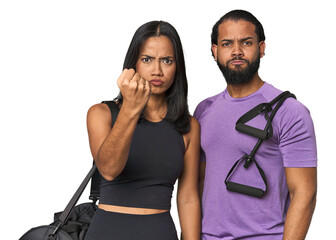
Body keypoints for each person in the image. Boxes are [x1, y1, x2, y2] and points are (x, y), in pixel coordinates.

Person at [194, 10, 317, 240]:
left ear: (261, 48)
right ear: (215, 51)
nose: (237, 51)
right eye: (227, 43)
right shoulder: (203, 111)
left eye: (246, 42)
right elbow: (198, 185)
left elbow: (304, 193)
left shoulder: (290, 112)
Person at [84, 21, 201, 240]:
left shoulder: (188, 127)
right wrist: (130, 107)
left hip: (160, 233)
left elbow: (188, 198)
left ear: (177, 66)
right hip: (107, 232)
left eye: (167, 60)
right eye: (147, 60)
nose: (157, 71)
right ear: (134, 65)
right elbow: (108, 169)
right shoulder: (101, 114)